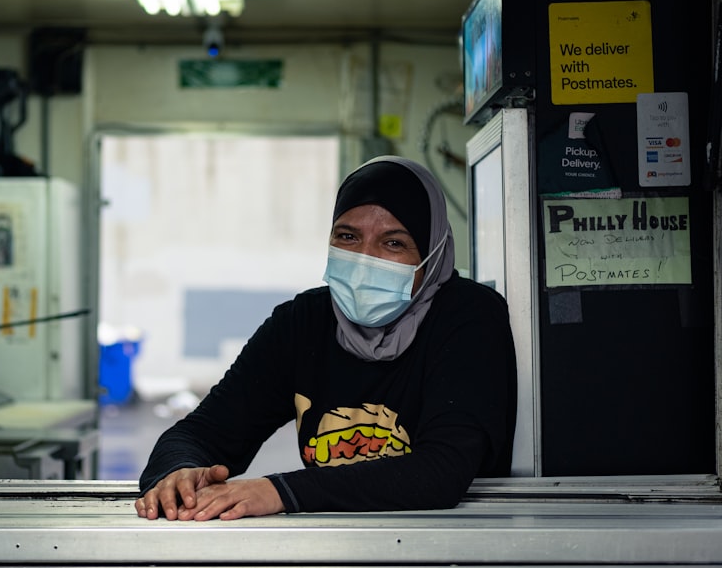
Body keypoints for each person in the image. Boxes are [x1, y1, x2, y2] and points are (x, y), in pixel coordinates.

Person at [134, 155, 517, 521]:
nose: (366, 259)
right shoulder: (303, 322)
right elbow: (204, 431)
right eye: (348, 237)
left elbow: (441, 471)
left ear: (432, 255)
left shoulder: (468, 317)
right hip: (339, 540)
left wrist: (278, 492)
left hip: (455, 546)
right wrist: (179, 474)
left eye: (394, 243)